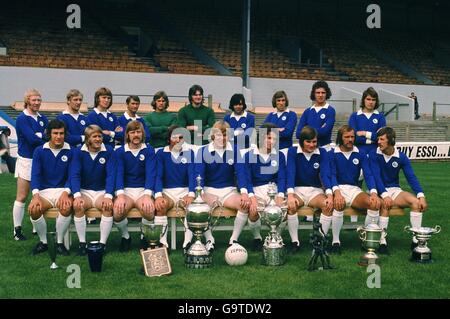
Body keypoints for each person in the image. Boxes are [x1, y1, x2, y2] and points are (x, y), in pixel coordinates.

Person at [369, 127, 427, 253]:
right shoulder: (374, 154)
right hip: (378, 191)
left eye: (382, 139)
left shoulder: (401, 157)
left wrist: (421, 195)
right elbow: (376, 178)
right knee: (385, 204)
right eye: (378, 139)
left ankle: (416, 240)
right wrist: (384, 195)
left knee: (416, 203)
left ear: (391, 140)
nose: (378, 142)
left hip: (394, 190)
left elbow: (411, 177)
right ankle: (382, 241)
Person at [195, 121, 249, 251]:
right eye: (219, 135)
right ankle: (209, 239)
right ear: (213, 136)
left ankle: (233, 240)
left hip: (228, 191)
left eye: (225, 135)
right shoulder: (203, 151)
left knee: (244, 205)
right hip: (209, 190)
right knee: (200, 206)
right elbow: (199, 176)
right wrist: (202, 194)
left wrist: (244, 193)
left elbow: (241, 173)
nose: (222, 138)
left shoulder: (235, 150)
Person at [328, 125, 382, 254]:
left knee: (373, 204)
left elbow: (368, 174)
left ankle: (367, 239)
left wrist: (373, 192)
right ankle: (335, 241)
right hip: (338, 188)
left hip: (354, 189)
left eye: (352, 136)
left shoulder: (360, 153)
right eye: (347, 137)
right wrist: (337, 193)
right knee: (339, 204)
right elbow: (332, 175)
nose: (350, 139)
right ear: (340, 138)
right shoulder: (332, 153)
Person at [237, 123, 286, 250]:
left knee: (282, 210)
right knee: (253, 211)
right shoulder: (250, 155)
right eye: (269, 138)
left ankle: (276, 238)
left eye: (275, 139)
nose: (272, 141)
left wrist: (280, 195)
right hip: (256, 190)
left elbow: (282, 177)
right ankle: (257, 238)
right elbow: (247, 179)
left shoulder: (279, 155)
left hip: (272, 189)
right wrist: (252, 197)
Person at [28, 119, 73, 256]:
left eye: (61, 133)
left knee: (66, 207)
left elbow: (73, 176)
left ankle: (59, 243)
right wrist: (35, 196)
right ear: (49, 134)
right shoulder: (39, 151)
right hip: (44, 192)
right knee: (34, 209)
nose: (58, 136)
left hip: (63, 190)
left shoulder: (72, 151)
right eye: (55, 133)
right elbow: (35, 174)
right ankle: (44, 242)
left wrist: (66, 193)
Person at [286, 126, 334, 253]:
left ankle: (320, 241)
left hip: (315, 191)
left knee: (327, 205)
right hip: (297, 190)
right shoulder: (292, 151)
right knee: (291, 206)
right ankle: (295, 242)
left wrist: (329, 194)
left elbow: (325, 174)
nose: (312, 145)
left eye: (314, 141)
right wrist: (290, 195)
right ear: (302, 141)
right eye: (308, 141)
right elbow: (290, 173)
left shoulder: (322, 152)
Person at [70, 125, 116, 255]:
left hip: (101, 191)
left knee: (108, 206)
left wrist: (108, 195)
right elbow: (75, 174)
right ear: (87, 139)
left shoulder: (109, 151)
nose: (98, 139)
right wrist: (77, 195)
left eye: (100, 136)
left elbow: (111, 175)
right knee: (77, 205)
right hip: (85, 191)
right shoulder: (78, 152)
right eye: (94, 136)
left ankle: (102, 244)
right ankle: (82, 243)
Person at [113, 121, 156, 252]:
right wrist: (120, 195)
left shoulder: (149, 150)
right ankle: (125, 236)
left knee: (149, 210)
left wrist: (148, 195)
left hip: (143, 190)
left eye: (138, 132)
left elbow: (151, 174)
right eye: (132, 132)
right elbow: (118, 174)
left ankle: (144, 236)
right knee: (117, 212)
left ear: (142, 133)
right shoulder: (120, 151)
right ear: (127, 135)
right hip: (126, 191)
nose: (136, 135)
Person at [13, 89, 49, 241]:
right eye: (34, 100)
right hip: (27, 160)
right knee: (22, 195)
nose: (37, 103)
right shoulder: (22, 119)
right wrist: (42, 136)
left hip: (41, 160)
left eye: (39, 100)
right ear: (27, 101)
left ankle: (36, 225)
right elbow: (32, 140)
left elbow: (48, 136)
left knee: (39, 194)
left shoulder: (43, 118)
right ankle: (17, 230)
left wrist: (40, 135)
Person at [154, 125, 195, 250]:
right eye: (174, 137)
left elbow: (192, 175)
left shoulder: (189, 153)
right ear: (168, 139)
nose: (177, 140)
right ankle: (163, 243)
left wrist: (191, 194)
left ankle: (187, 243)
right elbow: (158, 176)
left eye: (181, 137)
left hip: (184, 191)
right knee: (161, 206)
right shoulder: (161, 153)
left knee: (192, 208)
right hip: (167, 192)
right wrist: (159, 196)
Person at [296, 80, 336, 151]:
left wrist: (306, 131)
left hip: (324, 148)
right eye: (318, 92)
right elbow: (298, 133)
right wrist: (319, 129)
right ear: (313, 94)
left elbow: (325, 132)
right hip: (308, 149)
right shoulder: (307, 111)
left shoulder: (330, 110)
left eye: (323, 93)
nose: (320, 95)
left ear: (327, 94)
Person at [348, 87, 386, 154]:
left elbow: (382, 137)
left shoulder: (380, 116)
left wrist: (364, 133)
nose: (371, 102)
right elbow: (354, 138)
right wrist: (372, 140)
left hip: (376, 153)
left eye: (373, 100)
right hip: (358, 153)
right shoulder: (354, 116)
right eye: (368, 99)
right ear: (363, 100)